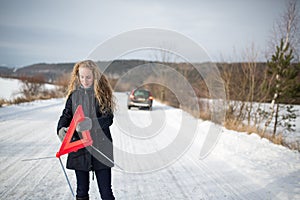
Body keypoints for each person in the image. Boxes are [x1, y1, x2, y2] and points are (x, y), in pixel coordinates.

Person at [57, 60, 115, 200]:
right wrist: (60, 129)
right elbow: (66, 116)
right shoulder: (74, 96)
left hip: (101, 148)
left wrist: (91, 123)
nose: (85, 80)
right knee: (81, 191)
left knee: (106, 192)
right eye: (81, 77)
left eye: (88, 77)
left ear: (95, 76)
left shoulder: (102, 95)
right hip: (79, 148)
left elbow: (108, 118)